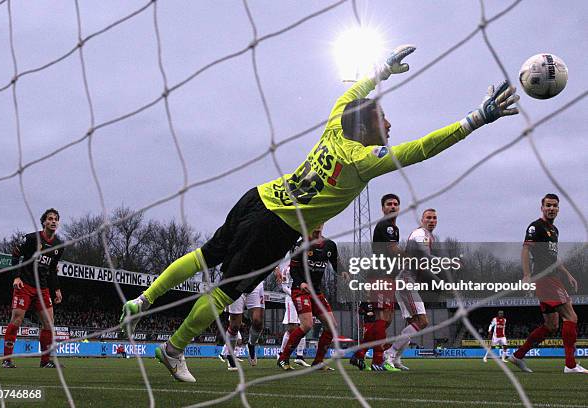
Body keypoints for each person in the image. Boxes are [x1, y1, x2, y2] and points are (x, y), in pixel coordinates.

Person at [120, 44, 520, 382]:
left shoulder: (335, 125)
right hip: (276, 226)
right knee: (227, 291)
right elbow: (423, 148)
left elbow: (353, 93)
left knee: (203, 256)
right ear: (367, 128)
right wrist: (476, 120)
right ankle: (173, 349)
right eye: (383, 119)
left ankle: (143, 300)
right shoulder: (363, 159)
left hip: (258, 196)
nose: (390, 123)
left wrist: (380, 72)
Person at [509, 194, 585, 374]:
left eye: (555, 206)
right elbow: (526, 249)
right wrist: (527, 275)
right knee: (571, 317)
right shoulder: (536, 227)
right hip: (545, 279)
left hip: (552, 278)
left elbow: (554, 257)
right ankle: (571, 365)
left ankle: (518, 356)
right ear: (542, 207)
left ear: (558, 208)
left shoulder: (554, 230)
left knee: (551, 325)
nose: (552, 208)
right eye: (548, 205)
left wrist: (568, 274)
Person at [2, 208, 64, 368]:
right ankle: (7, 359)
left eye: (55, 219)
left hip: (42, 288)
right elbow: (15, 255)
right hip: (25, 284)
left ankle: (45, 361)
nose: (53, 221)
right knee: (17, 319)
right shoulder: (31, 239)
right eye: (50, 218)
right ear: (44, 222)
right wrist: (16, 276)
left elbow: (52, 269)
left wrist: (56, 289)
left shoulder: (59, 245)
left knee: (49, 323)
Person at [350, 193, 402, 372]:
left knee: (385, 321)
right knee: (381, 319)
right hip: (380, 276)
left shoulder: (394, 228)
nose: (393, 207)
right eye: (389, 204)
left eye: (396, 204)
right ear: (383, 208)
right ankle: (377, 361)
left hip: (388, 277)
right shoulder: (386, 226)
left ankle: (359, 354)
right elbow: (393, 250)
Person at [276, 225, 339, 371]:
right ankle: (283, 358)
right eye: (314, 221)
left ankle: (318, 362)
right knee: (307, 325)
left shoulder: (330, 245)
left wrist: (344, 272)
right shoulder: (300, 245)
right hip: (300, 290)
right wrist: (301, 282)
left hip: (316, 292)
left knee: (332, 326)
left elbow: (335, 264)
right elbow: (293, 269)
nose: (317, 225)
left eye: (321, 222)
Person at [384, 208, 438, 370]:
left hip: (407, 282)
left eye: (434, 218)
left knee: (413, 323)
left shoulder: (428, 237)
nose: (432, 220)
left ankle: (396, 359)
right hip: (406, 282)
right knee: (422, 321)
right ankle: (390, 353)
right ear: (422, 220)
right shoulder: (420, 235)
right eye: (428, 217)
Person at [220, 281, 265, 370]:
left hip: (255, 283)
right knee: (235, 326)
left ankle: (251, 345)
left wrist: (276, 269)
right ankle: (230, 355)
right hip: (236, 283)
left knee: (258, 322)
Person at [275, 264, 310, 367]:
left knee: (304, 327)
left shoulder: (305, 267)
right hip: (291, 300)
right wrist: (295, 294)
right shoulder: (288, 269)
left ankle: (299, 356)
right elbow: (284, 287)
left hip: (302, 299)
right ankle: (281, 353)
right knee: (292, 328)